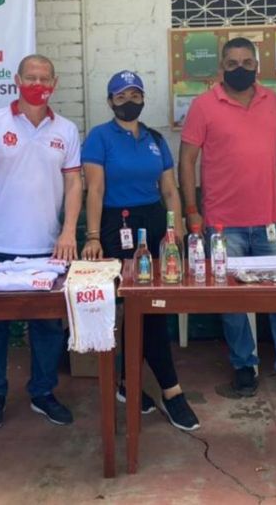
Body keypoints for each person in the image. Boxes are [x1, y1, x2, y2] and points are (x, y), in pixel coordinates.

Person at [179, 37, 276, 406]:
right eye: (232, 63)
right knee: (233, 301)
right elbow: (187, 159)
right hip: (223, 224)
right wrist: (192, 210)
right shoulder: (203, 105)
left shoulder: (271, 101)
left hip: (269, 221)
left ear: (257, 65)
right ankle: (244, 366)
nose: (240, 69)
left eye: (246, 62)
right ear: (220, 67)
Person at [0, 54, 82, 431]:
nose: (37, 82)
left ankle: (42, 393)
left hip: (46, 245)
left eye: (44, 77)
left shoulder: (66, 129)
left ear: (55, 82)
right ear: (17, 79)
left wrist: (68, 231)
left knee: (47, 327)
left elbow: (75, 182)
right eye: (30, 76)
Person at [81, 70, 200, 431]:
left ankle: (126, 384)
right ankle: (172, 390)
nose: (128, 102)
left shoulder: (154, 139)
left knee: (149, 305)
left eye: (135, 95)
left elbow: (169, 189)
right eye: (121, 97)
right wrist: (92, 236)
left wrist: (174, 228)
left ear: (143, 98)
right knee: (142, 306)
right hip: (116, 228)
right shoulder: (99, 138)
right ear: (110, 101)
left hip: (153, 224)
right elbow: (96, 190)